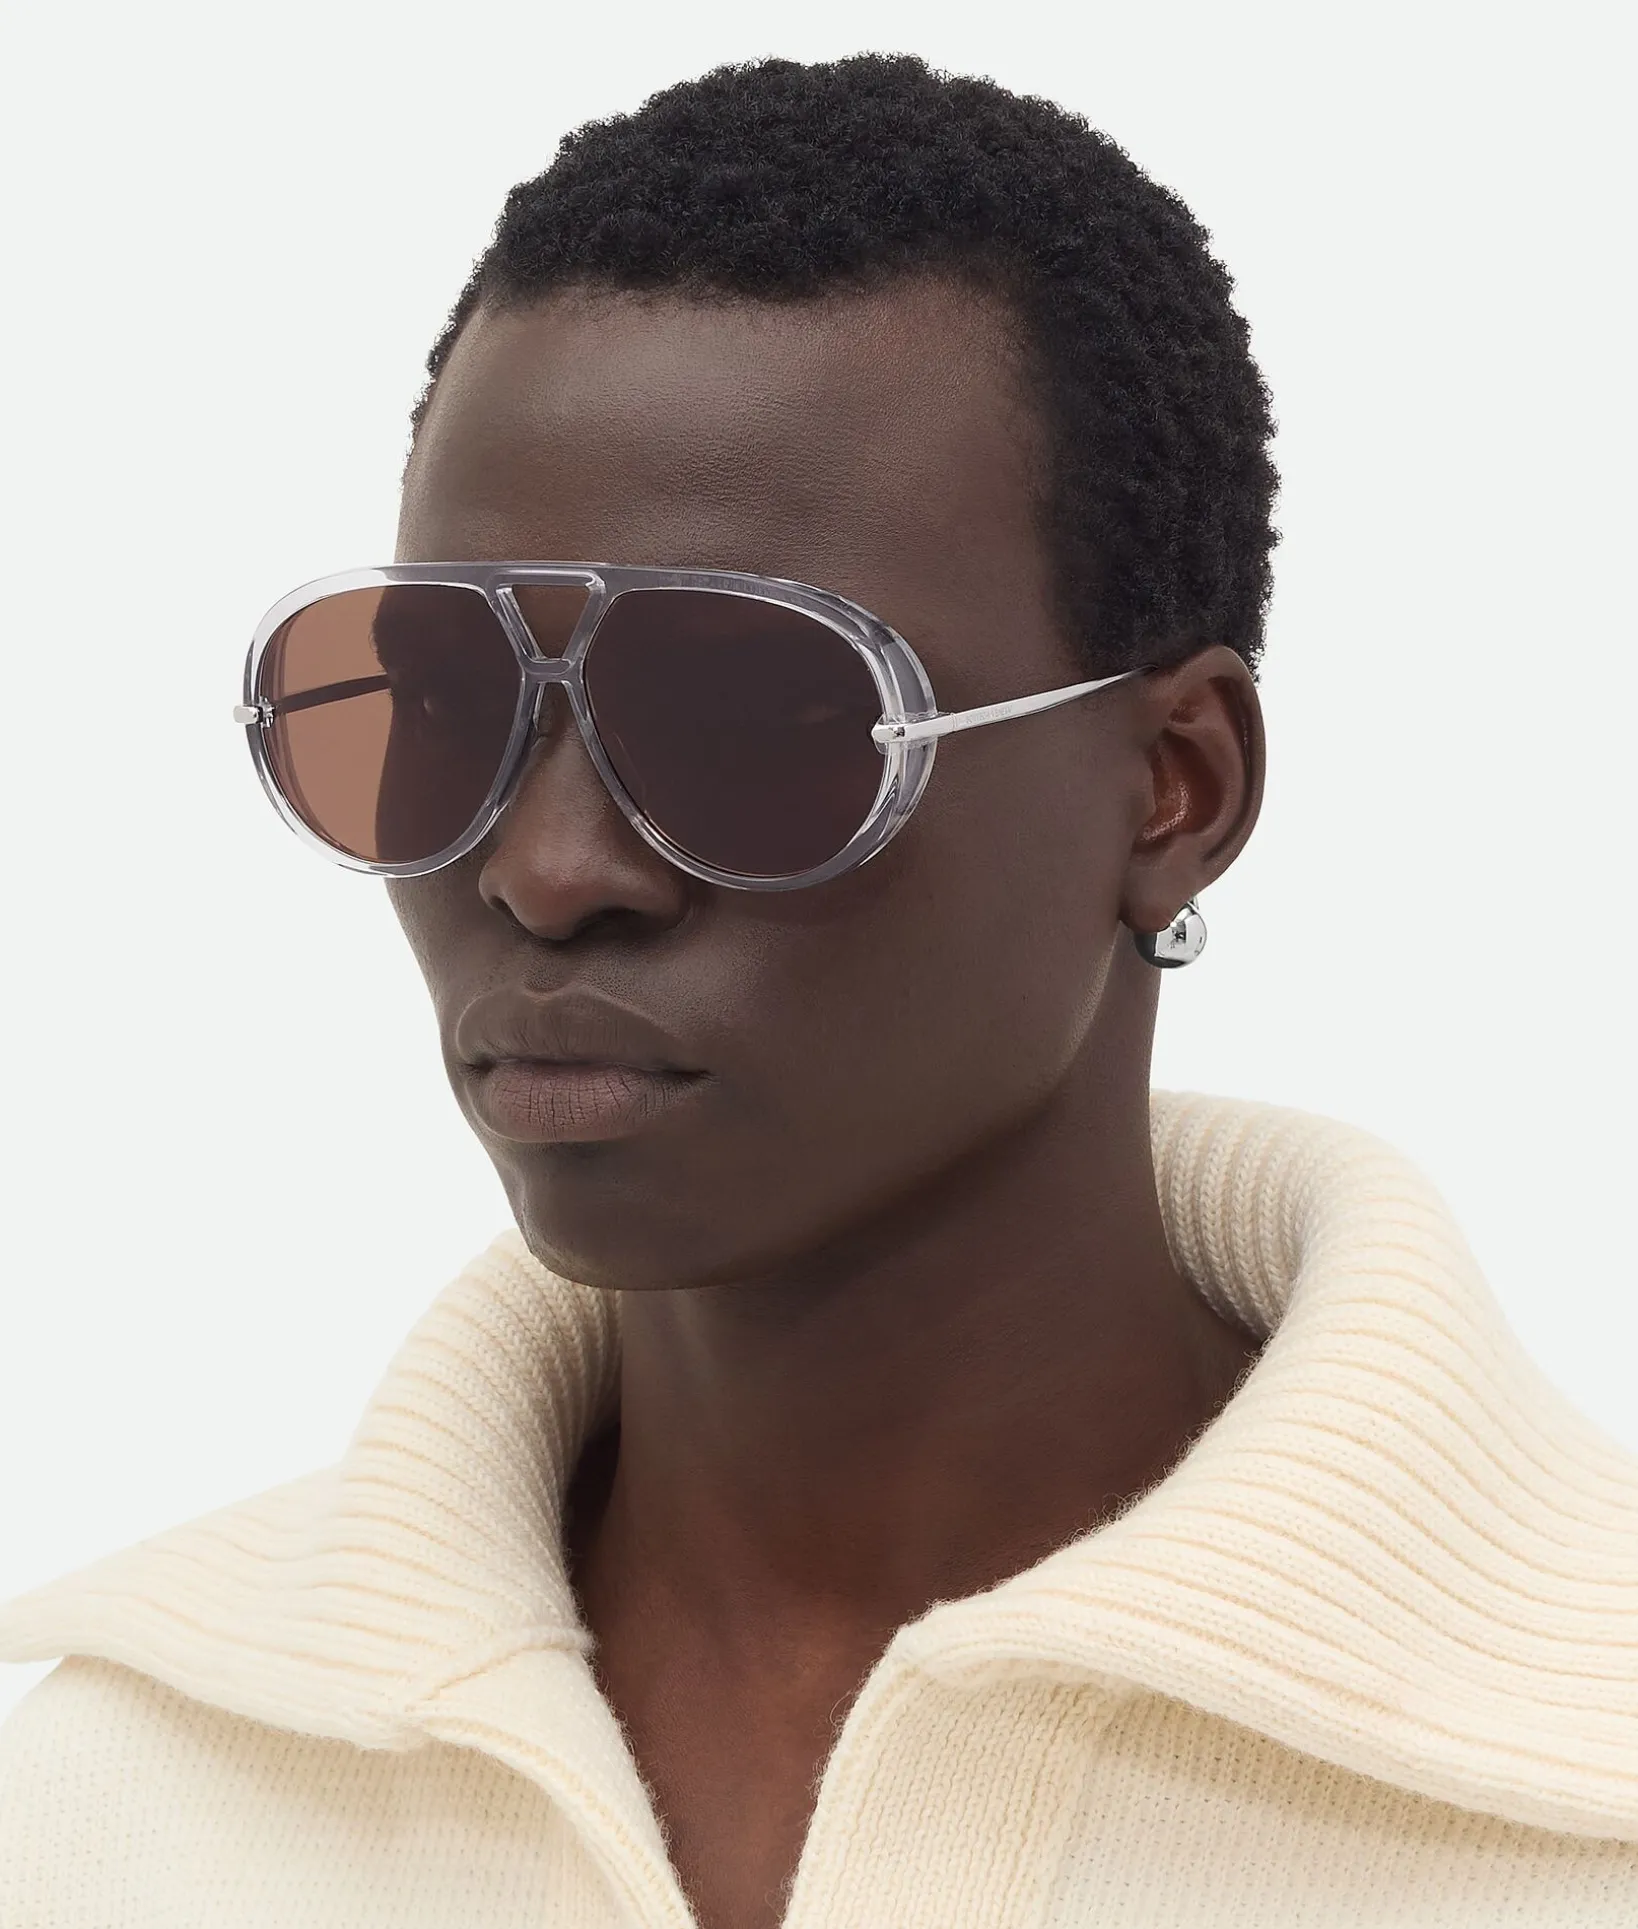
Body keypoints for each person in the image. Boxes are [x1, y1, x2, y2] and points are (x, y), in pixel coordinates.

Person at [2, 50, 1635, 1929]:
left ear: (1174, 789)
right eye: (439, 702)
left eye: (753, 717)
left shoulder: (1584, 1797)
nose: (545, 869)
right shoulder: (112, 1800)